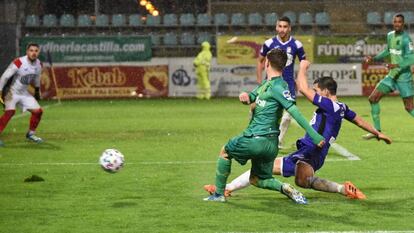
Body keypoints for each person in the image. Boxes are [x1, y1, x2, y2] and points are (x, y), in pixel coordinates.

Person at [205, 60, 392, 200]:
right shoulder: (341, 107)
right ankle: (344, 189)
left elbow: (302, 89)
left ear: (326, 92)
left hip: (311, 151)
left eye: (317, 90)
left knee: (298, 180)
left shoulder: (328, 104)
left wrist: (302, 66)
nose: (315, 93)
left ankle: (343, 189)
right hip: (310, 152)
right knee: (280, 173)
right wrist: (377, 132)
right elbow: (358, 120)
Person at [203, 48, 325, 204]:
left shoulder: (277, 87)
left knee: (225, 152)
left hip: (256, 138)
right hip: (270, 145)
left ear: (267, 62)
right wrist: (246, 97)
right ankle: (285, 188)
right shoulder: (269, 84)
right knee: (258, 179)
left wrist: (315, 136)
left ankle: (219, 194)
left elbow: (294, 111)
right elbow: (252, 96)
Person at [257, 16, 306, 148]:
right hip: (271, 83)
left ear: (289, 28)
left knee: (288, 115)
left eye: (285, 27)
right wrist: (259, 80)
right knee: (268, 112)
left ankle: (278, 141)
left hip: (288, 84)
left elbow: (304, 62)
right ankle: (261, 135)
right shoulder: (269, 43)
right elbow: (260, 61)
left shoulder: (297, 45)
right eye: (280, 26)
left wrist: (300, 80)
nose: (282, 29)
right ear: (276, 27)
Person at [364, 13, 414, 139]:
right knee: (373, 98)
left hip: (404, 78)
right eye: (395, 21)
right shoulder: (390, 35)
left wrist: (396, 65)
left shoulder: (407, 39)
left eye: (399, 22)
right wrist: (374, 58)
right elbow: (387, 50)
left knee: (409, 108)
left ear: (403, 24)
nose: (397, 24)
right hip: (391, 76)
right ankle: (377, 131)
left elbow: (411, 58)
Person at [0, 43, 44, 145]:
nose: (33, 53)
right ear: (27, 52)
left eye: (36, 51)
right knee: (10, 112)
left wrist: (37, 90)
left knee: (38, 112)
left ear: (38, 52)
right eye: (31, 50)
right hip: (11, 91)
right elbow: (5, 77)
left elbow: (37, 78)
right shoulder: (19, 62)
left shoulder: (39, 64)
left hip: (24, 93)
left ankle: (31, 134)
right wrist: (0, 91)